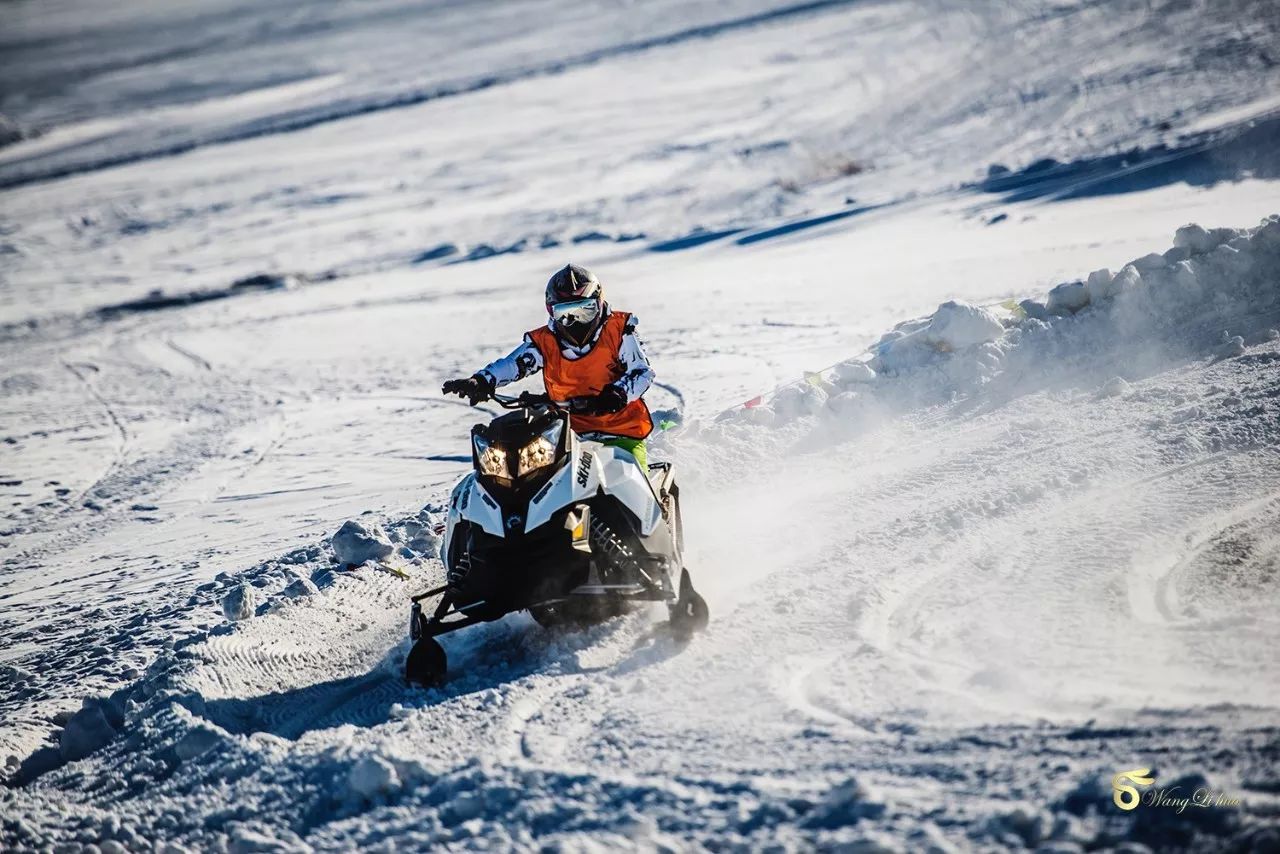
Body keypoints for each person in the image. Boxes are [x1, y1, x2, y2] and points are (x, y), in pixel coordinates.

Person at [443, 264, 654, 468]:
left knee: (631, 483)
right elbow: (514, 364)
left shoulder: (619, 330)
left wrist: (619, 394)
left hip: (622, 431)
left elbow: (642, 372)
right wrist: (481, 381)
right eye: (566, 314)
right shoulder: (545, 341)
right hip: (564, 434)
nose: (576, 322)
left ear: (599, 303)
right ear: (551, 311)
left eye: (585, 311)